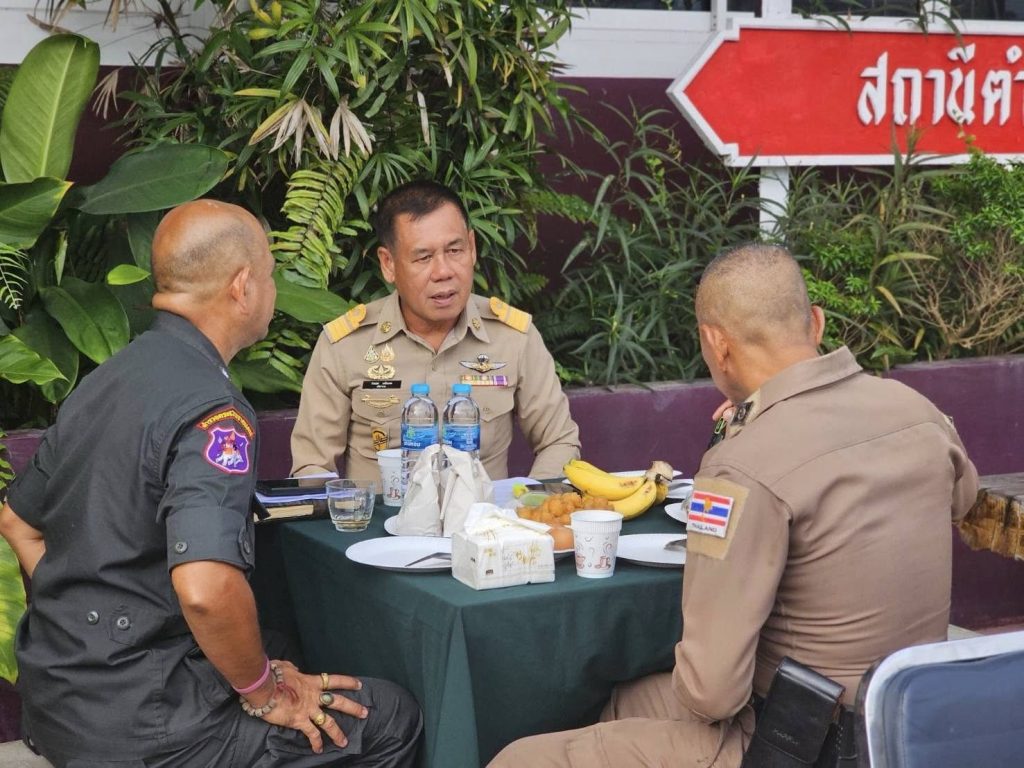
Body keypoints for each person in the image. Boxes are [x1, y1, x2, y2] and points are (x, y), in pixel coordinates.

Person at [489, 243, 978, 767]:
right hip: (912, 724)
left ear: (717, 345)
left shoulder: (741, 466)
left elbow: (712, 694)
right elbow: (963, 499)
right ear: (816, 323)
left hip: (797, 743)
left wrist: (738, 443)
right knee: (624, 703)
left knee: (519, 759)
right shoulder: (919, 412)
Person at [0, 200, 422, 768]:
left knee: (280, 644)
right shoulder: (214, 410)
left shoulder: (104, 381)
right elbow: (205, 589)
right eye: (270, 274)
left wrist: (89, 629)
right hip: (148, 727)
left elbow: (16, 521)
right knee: (388, 716)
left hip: (58, 704)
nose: (273, 289)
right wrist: (265, 694)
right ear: (243, 286)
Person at [290, 180, 580, 482]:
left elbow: (559, 441)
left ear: (472, 248)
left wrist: (528, 503)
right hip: (384, 513)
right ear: (388, 264)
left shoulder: (513, 339)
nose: (443, 272)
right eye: (423, 257)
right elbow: (312, 466)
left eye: (455, 250)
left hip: (483, 512)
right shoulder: (346, 346)